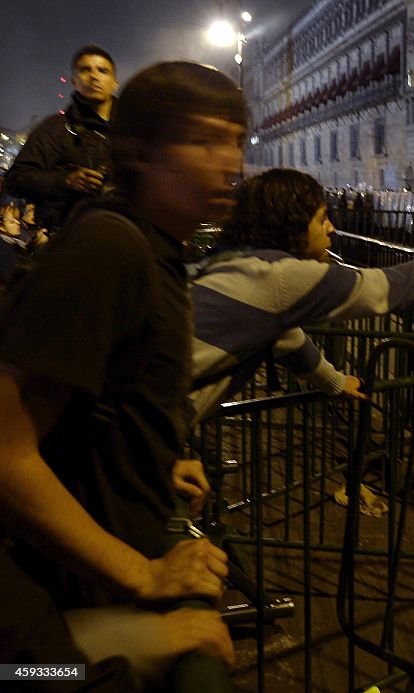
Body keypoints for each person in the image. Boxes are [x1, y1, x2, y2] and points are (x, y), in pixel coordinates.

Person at [0, 61, 245, 688]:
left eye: (237, 141)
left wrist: (153, 456)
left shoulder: (152, 250)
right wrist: (142, 574)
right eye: (205, 140)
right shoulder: (110, 248)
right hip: (33, 622)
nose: (231, 162)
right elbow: (6, 451)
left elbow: (100, 394)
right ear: (138, 153)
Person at [188, 168, 414, 514]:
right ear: (290, 226)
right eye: (321, 219)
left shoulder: (229, 264)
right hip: (139, 428)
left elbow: (286, 339)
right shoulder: (277, 277)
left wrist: (334, 382)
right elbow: (382, 288)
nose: (332, 228)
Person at [4, 45, 117, 232]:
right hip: (67, 239)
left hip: (121, 239)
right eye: (85, 70)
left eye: (102, 70)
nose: (94, 77)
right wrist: (66, 181)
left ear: (114, 82)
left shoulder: (131, 131)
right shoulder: (54, 128)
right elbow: (15, 181)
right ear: (74, 81)